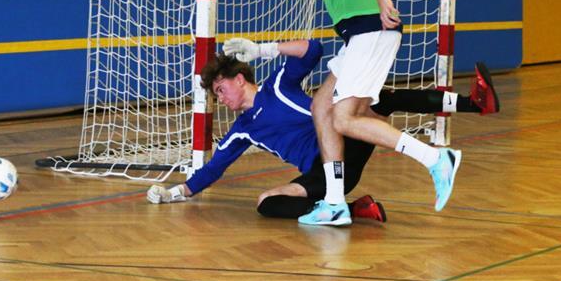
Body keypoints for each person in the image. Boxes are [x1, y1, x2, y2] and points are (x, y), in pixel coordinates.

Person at [147, 38, 500, 225]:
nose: (219, 99)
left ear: (241, 79)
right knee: (266, 203)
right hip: (327, 174)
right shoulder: (242, 131)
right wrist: (174, 193)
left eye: (221, 89)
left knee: (380, 98)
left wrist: (263, 49)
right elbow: (212, 170)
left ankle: (474, 103)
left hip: (345, 142)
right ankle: (351, 208)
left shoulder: (279, 85)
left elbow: (312, 50)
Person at [286, 0, 464, 225]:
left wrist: (384, 0)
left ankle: (435, 159)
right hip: (359, 36)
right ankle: (335, 202)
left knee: (343, 117)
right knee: (322, 104)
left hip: (371, 30)